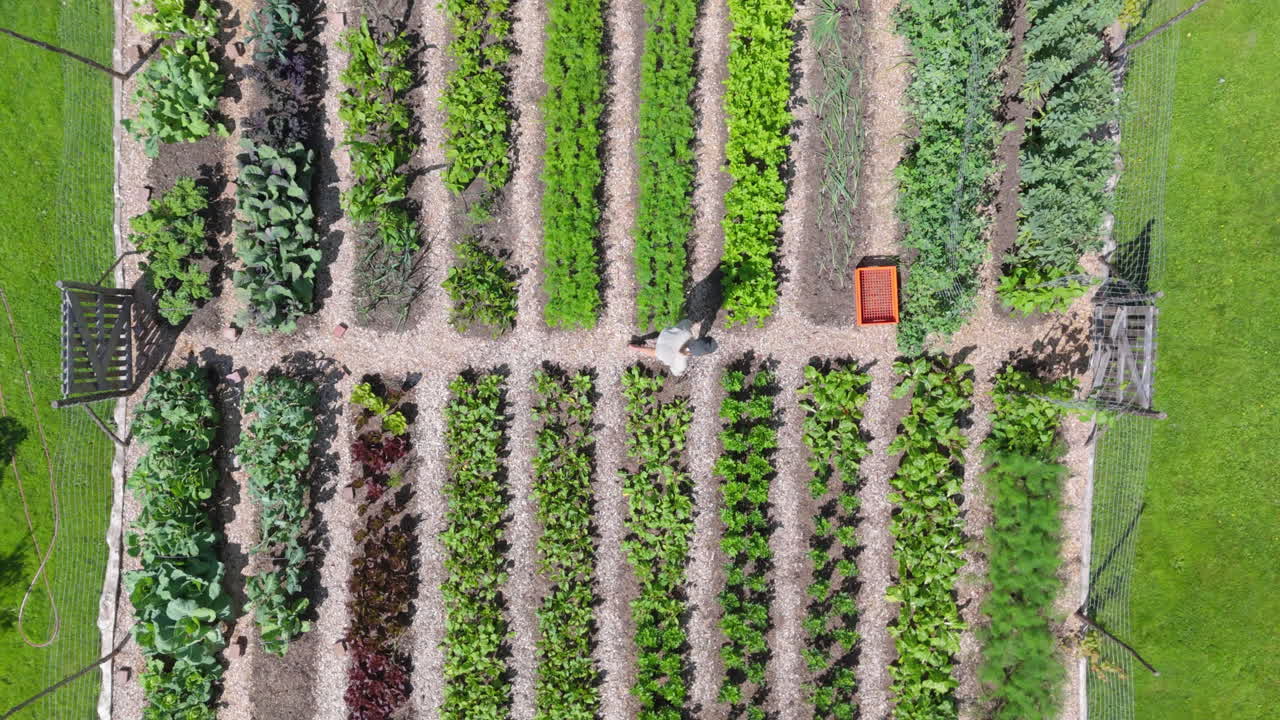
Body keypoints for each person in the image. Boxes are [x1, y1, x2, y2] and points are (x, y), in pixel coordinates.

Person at [628, 319, 717, 376]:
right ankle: (637, 348)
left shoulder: (686, 330)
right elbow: (675, 372)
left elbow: (687, 322)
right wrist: (678, 372)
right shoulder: (681, 363)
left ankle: (637, 347)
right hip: (661, 351)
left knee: (673, 338)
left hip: (665, 334)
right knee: (657, 353)